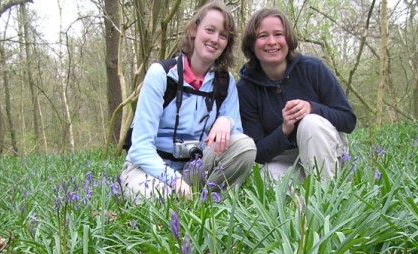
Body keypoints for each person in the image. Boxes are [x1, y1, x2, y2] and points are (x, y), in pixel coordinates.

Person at [120, 1, 256, 200]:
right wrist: (174, 181)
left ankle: (206, 201)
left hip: (193, 169)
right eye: (210, 30)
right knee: (161, 198)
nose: (215, 39)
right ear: (194, 29)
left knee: (246, 147)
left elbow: (236, 144)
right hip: (148, 169)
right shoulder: (161, 74)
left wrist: (226, 120)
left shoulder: (224, 84)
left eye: (223, 35)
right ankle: (186, 201)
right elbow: (140, 148)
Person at [237, 8, 356, 180]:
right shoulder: (245, 88)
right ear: (252, 45)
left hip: (326, 149)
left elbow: (348, 120)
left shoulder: (313, 68)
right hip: (284, 159)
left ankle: (327, 196)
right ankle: (303, 199)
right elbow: (258, 153)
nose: (272, 42)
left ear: (288, 39)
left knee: (310, 122)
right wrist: (284, 130)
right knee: (265, 179)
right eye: (263, 36)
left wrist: (312, 108)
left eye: (278, 34)